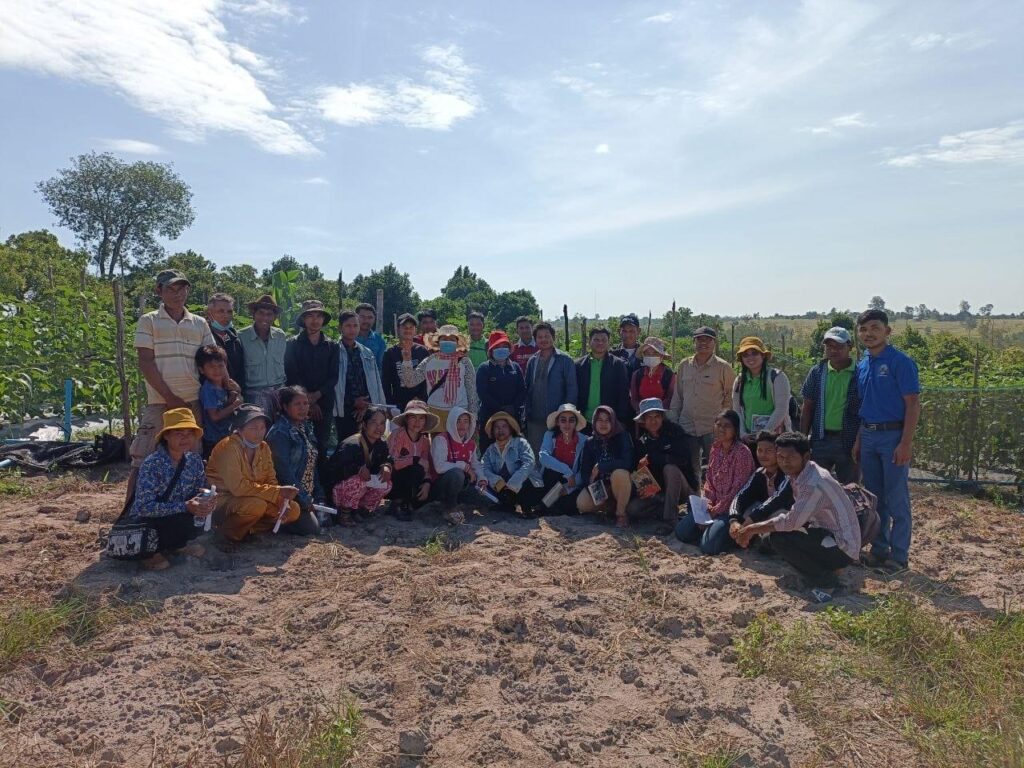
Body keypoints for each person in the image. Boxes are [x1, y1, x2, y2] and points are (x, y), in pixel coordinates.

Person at [128, 269, 214, 501]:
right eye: (171, 289)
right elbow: (146, 362)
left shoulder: (199, 323)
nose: (178, 294)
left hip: (192, 402)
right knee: (143, 458)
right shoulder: (149, 321)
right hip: (159, 402)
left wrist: (226, 383)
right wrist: (170, 398)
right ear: (159, 291)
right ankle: (129, 514)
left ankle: (187, 511)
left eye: (182, 289)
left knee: (191, 458)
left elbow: (211, 359)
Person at [734, 433, 862, 588]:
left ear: (806, 456)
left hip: (843, 546)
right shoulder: (800, 472)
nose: (785, 462)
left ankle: (827, 582)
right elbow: (777, 499)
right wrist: (751, 523)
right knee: (770, 538)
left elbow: (791, 522)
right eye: (780, 457)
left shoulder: (813, 483)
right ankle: (827, 567)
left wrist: (751, 529)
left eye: (791, 457)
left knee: (779, 538)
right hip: (826, 533)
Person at [854, 309, 920, 570]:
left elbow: (912, 404)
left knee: (896, 497)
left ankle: (899, 555)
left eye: (874, 328)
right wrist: (859, 439)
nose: (868, 334)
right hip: (868, 435)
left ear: (887, 331)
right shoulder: (862, 364)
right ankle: (879, 549)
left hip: (893, 436)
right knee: (874, 497)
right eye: (863, 329)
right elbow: (864, 405)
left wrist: (906, 443)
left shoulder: (900, 362)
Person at [207, 405, 318, 543]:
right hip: (222, 500)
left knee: (293, 509)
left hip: (254, 496)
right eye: (253, 428)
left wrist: (281, 500)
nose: (259, 433)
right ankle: (226, 535)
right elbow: (238, 488)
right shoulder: (228, 447)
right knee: (256, 505)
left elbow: (271, 480)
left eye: (262, 428)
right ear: (239, 429)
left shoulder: (263, 447)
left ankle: (248, 530)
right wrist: (277, 492)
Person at [126, 407, 214, 571]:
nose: (185, 438)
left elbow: (200, 490)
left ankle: (177, 546)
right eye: (179, 433)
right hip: (152, 522)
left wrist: (207, 500)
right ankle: (150, 552)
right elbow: (144, 507)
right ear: (166, 436)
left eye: (189, 433)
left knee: (201, 518)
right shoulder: (152, 464)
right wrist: (185, 506)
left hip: (177, 518)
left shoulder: (194, 461)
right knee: (163, 523)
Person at [675, 409, 755, 554]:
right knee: (681, 532)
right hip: (713, 506)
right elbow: (710, 480)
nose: (722, 429)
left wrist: (715, 511)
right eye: (718, 425)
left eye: (727, 426)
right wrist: (708, 505)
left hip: (731, 510)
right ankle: (711, 532)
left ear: (735, 429)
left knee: (708, 547)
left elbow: (737, 490)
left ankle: (727, 535)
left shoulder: (742, 452)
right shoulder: (715, 448)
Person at [667, 326, 736, 488]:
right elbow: (678, 395)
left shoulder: (723, 367)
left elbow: (730, 397)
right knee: (692, 469)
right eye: (699, 339)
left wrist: (724, 423)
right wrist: (674, 421)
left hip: (712, 428)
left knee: (717, 467)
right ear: (694, 342)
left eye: (708, 340)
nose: (703, 343)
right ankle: (695, 499)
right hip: (687, 426)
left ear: (714, 343)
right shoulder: (684, 365)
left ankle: (716, 498)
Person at [800, 326, 861, 483]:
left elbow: (866, 410)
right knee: (816, 486)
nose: (833, 350)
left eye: (839, 346)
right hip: (820, 439)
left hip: (849, 441)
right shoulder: (817, 372)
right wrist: (802, 438)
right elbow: (807, 406)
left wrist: (859, 440)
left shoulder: (860, 373)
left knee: (850, 487)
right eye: (829, 346)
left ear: (850, 347)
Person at [285, 300, 339, 467]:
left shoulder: (332, 345)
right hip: (298, 402)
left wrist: (316, 396)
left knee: (322, 444)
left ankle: (321, 479)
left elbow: (333, 377)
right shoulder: (292, 344)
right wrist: (308, 401)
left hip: (324, 402)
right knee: (299, 442)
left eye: (318, 316)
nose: (315, 320)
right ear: (304, 319)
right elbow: (292, 373)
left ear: (323, 319)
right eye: (310, 316)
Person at [399, 324, 478, 434]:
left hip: (459, 413)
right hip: (435, 413)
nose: (448, 342)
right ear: (438, 342)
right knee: (437, 444)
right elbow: (410, 382)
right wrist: (407, 360)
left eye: (452, 339)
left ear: (457, 342)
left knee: (457, 444)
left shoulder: (464, 362)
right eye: (444, 339)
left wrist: (473, 416)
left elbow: (471, 391)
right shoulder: (429, 361)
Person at [629, 398, 697, 526]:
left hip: (683, 487)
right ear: (643, 421)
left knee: (670, 469)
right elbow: (639, 471)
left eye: (657, 416)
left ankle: (670, 520)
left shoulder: (675, 432)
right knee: (633, 509)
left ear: (662, 417)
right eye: (649, 417)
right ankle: (664, 508)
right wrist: (644, 487)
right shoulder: (642, 442)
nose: (653, 421)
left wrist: (653, 458)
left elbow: (683, 460)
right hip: (659, 493)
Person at [326, 406, 394, 525]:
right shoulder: (351, 444)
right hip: (337, 490)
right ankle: (344, 513)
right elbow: (334, 470)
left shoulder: (381, 444)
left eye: (382, 423)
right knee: (357, 481)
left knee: (386, 483)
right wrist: (357, 469)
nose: (378, 427)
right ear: (364, 424)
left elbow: (387, 458)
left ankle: (359, 510)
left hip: (361, 487)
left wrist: (387, 466)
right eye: (374, 422)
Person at [727, 431, 795, 547]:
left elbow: (776, 500)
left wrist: (750, 522)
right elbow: (740, 496)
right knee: (746, 512)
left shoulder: (788, 473)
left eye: (768, 451)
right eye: (760, 450)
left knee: (780, 515)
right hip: (764, 514)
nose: (763, 455)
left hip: (787, 514)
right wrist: (734, 520)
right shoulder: (759, 473)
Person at [265, 386, 323, 520]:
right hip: (290, 497)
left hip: (307, 496)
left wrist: (320, 496)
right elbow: (284, 472)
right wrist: (303, 499)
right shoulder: (279, 433)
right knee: (311, 527)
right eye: (297, 404)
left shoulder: (304, 427)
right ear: (285, 407)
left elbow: (312, 465)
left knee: (323, 522)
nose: (303, 408)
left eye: (305, 403)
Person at [524, 322, 578, 455]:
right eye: (540, 337)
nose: (544, 339)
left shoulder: (565, 360)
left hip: (556, 419)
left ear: (553, 337)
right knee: (535, 454)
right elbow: (528, 388)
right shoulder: (532, 360)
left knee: (556, 454)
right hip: (535, 419)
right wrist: (527, 410)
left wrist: (565, 416)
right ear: (535, 339)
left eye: (547, 336)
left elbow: (571, 389)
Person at [576, 405, 634, 527]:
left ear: (613, 421)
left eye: (608, 420)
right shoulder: (590, 442)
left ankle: (621, 514)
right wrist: (591, 486)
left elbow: (627, 463)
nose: (603, 424)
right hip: (602, 486)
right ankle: (612, 507)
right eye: (600, 420)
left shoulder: (622, 436)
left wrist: (602, 467)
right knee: (582, 503)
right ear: (594, 422)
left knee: (620, 473)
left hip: (621, 485)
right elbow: (585, 471)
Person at [335, 310, 386, 443]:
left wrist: (366, 404)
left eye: (355, 325)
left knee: (369, 442)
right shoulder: (333, 350)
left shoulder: (366, 352)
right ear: (340, 328)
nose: (352, 329)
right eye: (348, 326)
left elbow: (374, 383)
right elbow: (333, 382)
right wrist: (353, 402)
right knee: (346, 443)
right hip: (343, 408)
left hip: (366, 407)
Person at [430, 406, 487, 523]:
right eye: (458, 421)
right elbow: (439, 467)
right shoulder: (441, 440)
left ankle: (457, 502)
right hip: (440, 486)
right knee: (457, 474)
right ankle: (449, 508)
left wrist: (482, 479)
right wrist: (463, 466)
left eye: (466, 421)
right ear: (452, 422)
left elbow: (476, 464)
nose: (462, 425)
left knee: (486, 500)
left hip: (462, 486)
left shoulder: (471, 444)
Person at [732, 336, 792, 438]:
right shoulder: (739, 380)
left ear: (763, 355)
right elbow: (737, 411)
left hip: (775, 438)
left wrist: (763, 434)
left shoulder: (777, 377)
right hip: (748, 437)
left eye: (754, 353)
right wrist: (743, 434)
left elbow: (781, 409)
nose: (750, 358)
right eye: (745, 355)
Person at [479, 411, 539, 514]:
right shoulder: (490, 450)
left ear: (510, 428)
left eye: (504, 426)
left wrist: (512, 485)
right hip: (503, 489)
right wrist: (497, 482)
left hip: (523, 487)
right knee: (484, 485)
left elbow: (529, 463)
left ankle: (526, 509)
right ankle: (506, 505)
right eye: (497, 427)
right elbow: (483, 467)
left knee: (526, 481)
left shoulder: (521, 443)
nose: (500, 430)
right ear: (492, 430)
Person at [387, 399, 438, 520]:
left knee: (429, 486)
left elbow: (426, 466)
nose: (417, 422)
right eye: (413, 417)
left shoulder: (425, 441)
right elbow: (392, 462)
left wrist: (427, 483)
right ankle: (397, 503)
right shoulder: (397, 435)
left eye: (421, 418)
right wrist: (414, 459)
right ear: (406, 419)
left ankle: (408, 502)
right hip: (393, 479)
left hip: (413, 479)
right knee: (416, 468)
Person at [476, 330, 527, 450]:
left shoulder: (515, 367)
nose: (501, 349)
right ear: (491, 350)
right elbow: (482, 393)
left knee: (512, 451)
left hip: (513, 417)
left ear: (509, 349)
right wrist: (500, 408)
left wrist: (513, 407)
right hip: (490, 417)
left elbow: (522, 390)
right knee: (489, 451)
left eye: (504, 346)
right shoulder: (484, 368)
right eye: (497, 346)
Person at [534, 403, 589, 516]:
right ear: (558, 422)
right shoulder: (549, 435)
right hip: (551, 480)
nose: (567, 424)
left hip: (572, 483)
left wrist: (568, 488)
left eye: (571, 420)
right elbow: (543, 457)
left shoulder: (584, 441)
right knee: (551, 472)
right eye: (563, 420)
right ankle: (546, 505)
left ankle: (547, 506)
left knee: (570, 503)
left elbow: (583, 471)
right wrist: (567, 471)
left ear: (576, 423)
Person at [239, 294, 287, 421]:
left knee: (279, 429)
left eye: (269, 314)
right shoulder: (241, 336)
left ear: (274, 317)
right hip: (253, 396)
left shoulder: (280, 336)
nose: (265, 317)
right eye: (261, 313)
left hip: (279, 394)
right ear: (254, 314)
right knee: (259, 429)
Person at [575, 327, 631, 428]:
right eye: (596, 340)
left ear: (609, 342)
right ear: (589, 342)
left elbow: (623, 394)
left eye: (604, 340)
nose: (600, 343)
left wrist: (621, 419)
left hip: (608, 422)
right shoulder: (579, 365)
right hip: (584, 421)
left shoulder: (618, 365)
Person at [196, 344, 243, 458]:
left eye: (220, 366)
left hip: (226, 434)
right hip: (214, 439)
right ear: (201, 370)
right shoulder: (208, 389)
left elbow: (223, 406)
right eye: (212, 367)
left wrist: (235, 393)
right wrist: (235, 405)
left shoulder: (224, 385)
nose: (217, 370)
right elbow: (215, 416)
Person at [382, 313, 430, 411]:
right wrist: (389, 405)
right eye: (404, 327)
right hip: (398, 403)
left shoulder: (423, 351)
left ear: (415, 330)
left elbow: (427, 379)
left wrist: (421, 398)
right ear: (398, 329)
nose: (408, 330)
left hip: (419, 402)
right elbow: (386, 382)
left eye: (411, 327)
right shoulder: (390, 353)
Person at [206, 293, 246, 392]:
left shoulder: (234, 338)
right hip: (213, 394)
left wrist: (239, 391)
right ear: (209, 314)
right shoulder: (204, 337)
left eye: (229, 312)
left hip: (236, 392)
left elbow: (241, 370)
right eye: (221, 311)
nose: (226, 315)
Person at [629, 337, 676, 414]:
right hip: (642, 415)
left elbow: (670, 398)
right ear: (643, 355)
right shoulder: (637, 375)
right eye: (647, 353)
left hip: (662, 416)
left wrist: (656, 413)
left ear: (661, 356)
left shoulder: (669, 375)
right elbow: (634, 399)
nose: (651, 356)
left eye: (655, 353)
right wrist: (643, 412)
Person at [611, 313, 644, 380]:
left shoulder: (645, 353)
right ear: (619, 332)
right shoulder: (612, 353)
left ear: (638, 331)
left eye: (631, 331)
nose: (627, 335)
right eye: (624, 331)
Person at [356, 302, 387, 370]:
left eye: (370, 317)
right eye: (362, 317)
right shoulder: (349, 338)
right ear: (355, 317)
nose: (366, 320)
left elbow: (381, 367)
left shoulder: (379, 341)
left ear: (374, 319)